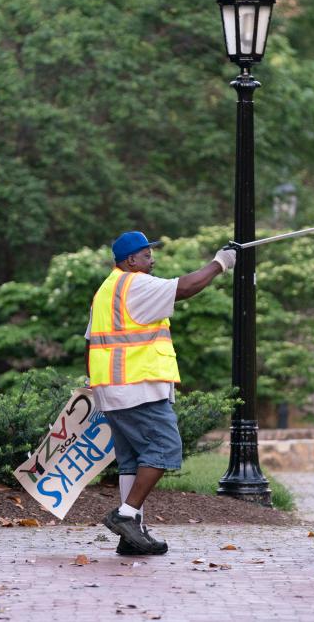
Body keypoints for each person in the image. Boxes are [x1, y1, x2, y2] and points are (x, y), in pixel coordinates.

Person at [86, 230, 236, 555]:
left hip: (113, 389)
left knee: (131, 460)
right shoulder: (135, 284)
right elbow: (185, 287)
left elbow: (93, 340)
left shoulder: (107, 290)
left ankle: (132, 536)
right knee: (165, 447)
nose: (152, 259)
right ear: (130, 260)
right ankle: (126, 516)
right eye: (146, 254)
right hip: (137, 388)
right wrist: (220, 263)